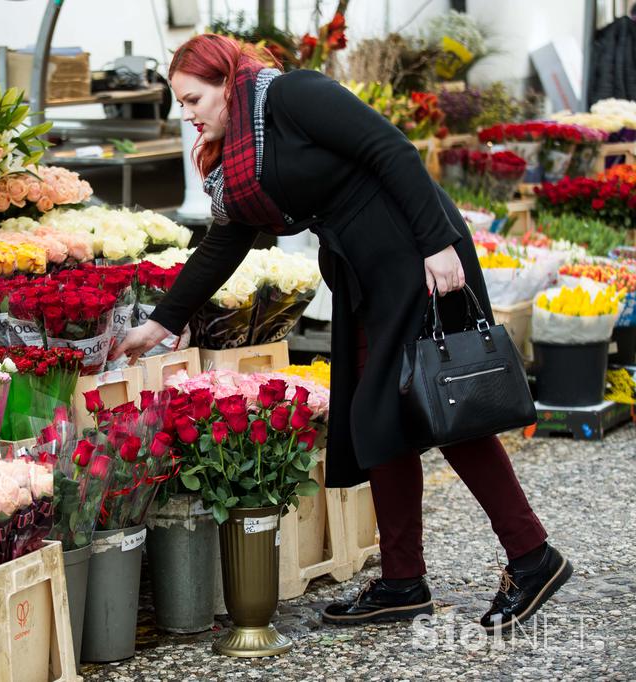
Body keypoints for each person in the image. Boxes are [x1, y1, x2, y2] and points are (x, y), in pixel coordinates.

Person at [109, 34, 572, 634]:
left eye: (194, 98)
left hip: (414, 254)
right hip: (362, 272)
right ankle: (403, 582)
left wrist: (436, 243)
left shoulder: (294, 96)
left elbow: (392, 151)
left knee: (440, 404)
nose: (187, 114)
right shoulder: (238, 151)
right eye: (181, 103)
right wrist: (161, 321)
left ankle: (532, 555)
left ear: (227, 81)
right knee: (380, 419)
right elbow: (228, 239)